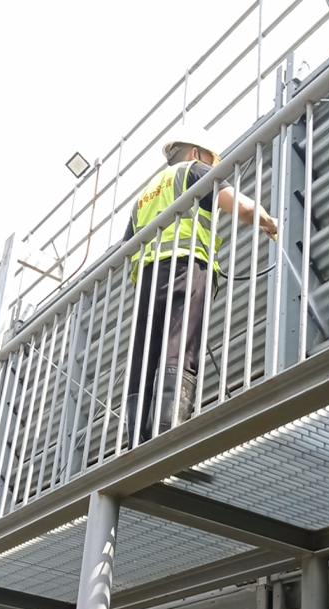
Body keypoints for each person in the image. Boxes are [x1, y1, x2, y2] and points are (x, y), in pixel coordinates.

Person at [122, 125, 278, 445]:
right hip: (186, 267)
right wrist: (269, 221)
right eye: (211, 160)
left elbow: (126, 248)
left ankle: (137, 438)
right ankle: (168, 429)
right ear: (196, 153)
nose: (212, 166)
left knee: (145, 354)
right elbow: (240, 205)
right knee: (180, 344)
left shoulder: (144, 196)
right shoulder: (194, 171)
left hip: (148, 280)